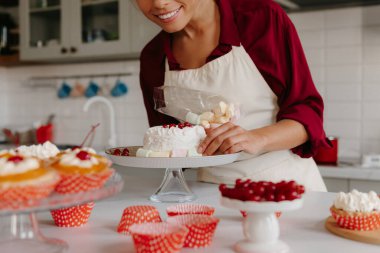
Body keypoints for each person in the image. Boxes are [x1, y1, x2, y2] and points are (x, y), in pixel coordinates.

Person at [136, 0, 331, 191]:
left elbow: (309, 116)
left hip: (286, 187)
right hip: (209, 194)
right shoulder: (152, 58)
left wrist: (257, 138)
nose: (160, 3)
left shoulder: (261, 17)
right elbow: (169, 147)